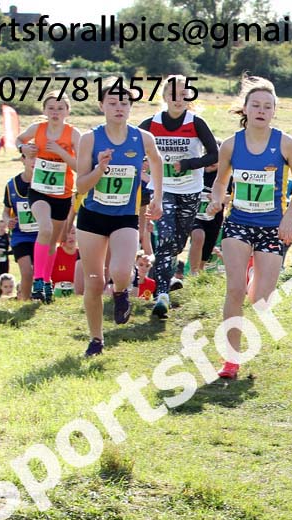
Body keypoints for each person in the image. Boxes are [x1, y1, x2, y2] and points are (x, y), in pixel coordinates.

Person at [206, 75, 292, 380]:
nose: (262, 110)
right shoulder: (230, 145)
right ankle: (230, 360)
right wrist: (216, 200)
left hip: (271, 226)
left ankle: (255, 274)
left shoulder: (286, 143)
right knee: (234, 290)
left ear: (274, 111)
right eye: (256, 105)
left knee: (261, 300)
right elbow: (220, 182)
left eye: (268, 106)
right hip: (238, 223)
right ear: (246, 109)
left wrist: (289, 216)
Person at [75, 83, 163, 357]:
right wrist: (100, 169)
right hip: (92, 217)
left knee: (122, 271)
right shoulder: (90, 139)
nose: (118, 107)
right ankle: (96, 339)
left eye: (124, 103)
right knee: (93, 281)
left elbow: (158, 163)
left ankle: (122, 293)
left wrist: (158, 197)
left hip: (124, 216)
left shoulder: (142, 138)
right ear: (102, 106)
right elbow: (81, 186)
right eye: (112, 102)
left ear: (131, 107)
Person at [139, 75, 218, 319]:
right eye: (173, 93)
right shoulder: (150, 124)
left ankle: (169, 274)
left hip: (190, 190)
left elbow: (214, 154)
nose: (178, 98)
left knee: (178, 241)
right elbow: (129, 145)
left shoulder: (196, 123)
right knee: (165, 238)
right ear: (164, 97)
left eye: (184, 94)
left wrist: (188, 163)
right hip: (162, 191)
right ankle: (161, 294)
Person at [16, 91, 81, 304]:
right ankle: (38, 280)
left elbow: (80, 166)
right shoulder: (38, 129)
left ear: (67, 112)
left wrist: (61, 153)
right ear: (44, 110)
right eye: (51, 108)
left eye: (60, 108)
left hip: (62, 195)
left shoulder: (73, 134)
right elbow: (19, 139)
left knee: (53, 242)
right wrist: (23, 148)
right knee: (44, 229)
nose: (55, 112)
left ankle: (46, 281)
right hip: (39, 191)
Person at [2, 151, 39, 301]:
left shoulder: (45, 183)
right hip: (20, 236)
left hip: (41, 235)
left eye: (39, 158)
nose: (35, 161)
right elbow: (5, 212)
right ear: (23, 160)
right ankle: (24, 300)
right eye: (31, 157)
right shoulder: (11, 185)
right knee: (27, 271)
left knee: (40, 273)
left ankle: (40, 299)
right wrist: (7, 221)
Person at [188, 160, 227, 274]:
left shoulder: (224, 176)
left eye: (217, 159)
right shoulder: (196, 172)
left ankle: (198, 275)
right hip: (195, 215)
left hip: (213, 218)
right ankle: (193, 272)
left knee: (206, 252)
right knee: (198, 236)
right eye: (211, 157)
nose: (212, 162)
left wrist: (219, 199)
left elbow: (232, 196)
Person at [51, 225, 78, 297]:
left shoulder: (83, 255)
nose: (70, 236)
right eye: (66, 234)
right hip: (55, 296)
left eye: (73, 233)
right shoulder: (53, 254)